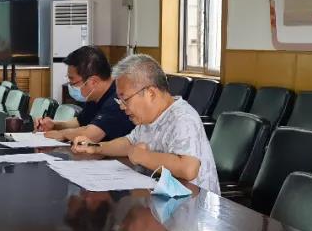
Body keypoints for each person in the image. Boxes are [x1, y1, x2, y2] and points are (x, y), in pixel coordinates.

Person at [71, 54, 219, 194]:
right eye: (119, 100)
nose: (121, 106)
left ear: (151, 93)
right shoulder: (148, 117)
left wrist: (143, 156)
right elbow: (129, 143)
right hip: (164, 199)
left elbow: (188, 168)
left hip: (194, 204)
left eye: (125, 99)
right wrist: (95, 147)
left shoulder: (183, 118)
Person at [34, 45, 133, 143]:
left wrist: (61, 134)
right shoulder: (94, 95)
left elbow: (92, 134)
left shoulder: (117, 99)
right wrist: (54, 125)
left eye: (73, 82)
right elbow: (80, 122)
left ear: (93, 82)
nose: (70, 85)